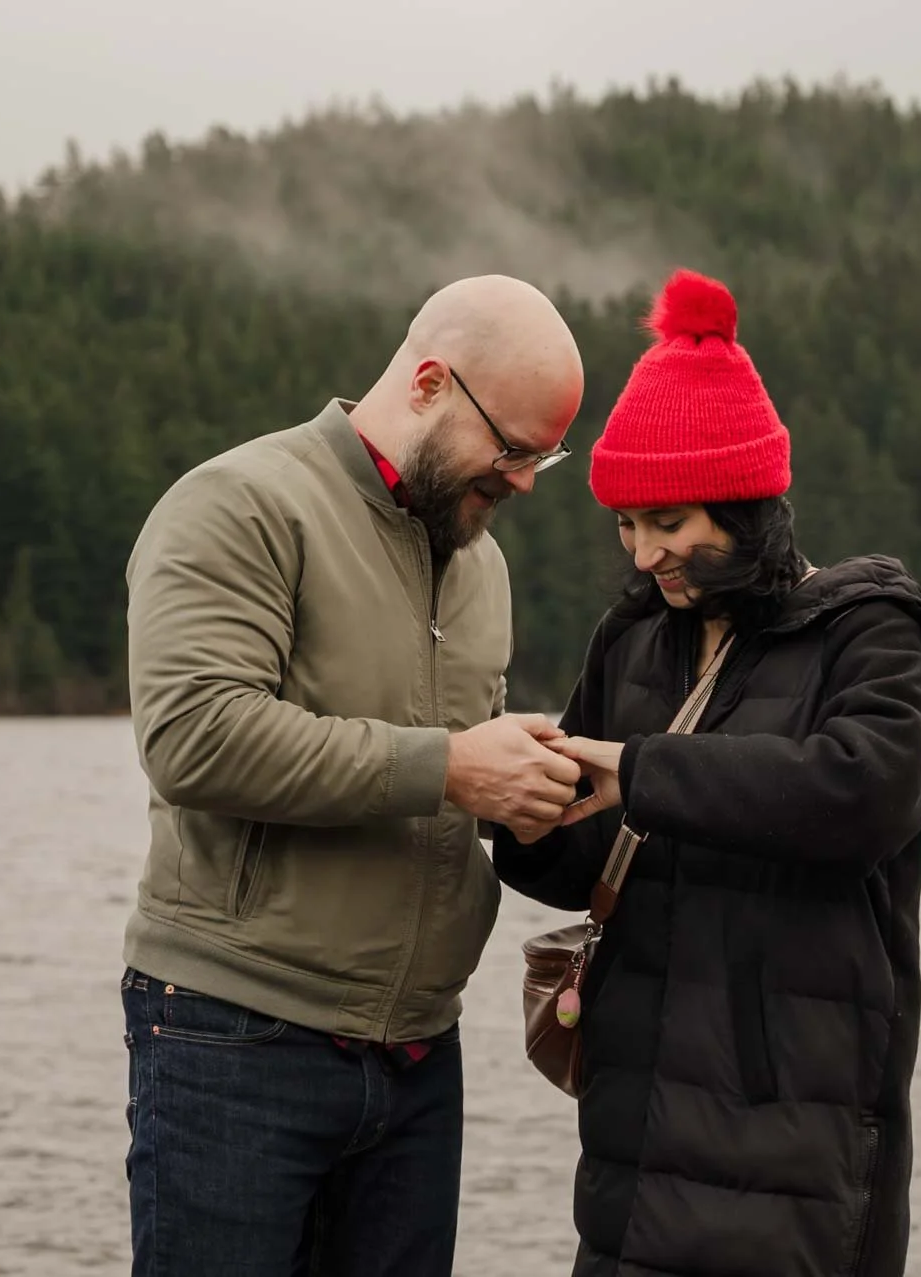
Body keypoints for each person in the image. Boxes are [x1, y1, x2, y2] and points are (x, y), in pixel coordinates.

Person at [494, 268, 921, 1277]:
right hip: (631, 1134)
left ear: (747, 503)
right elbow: (585, 858)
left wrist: (640, 769)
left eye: (669, 522)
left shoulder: (871, 631)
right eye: (627, 524)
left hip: (793, 1137)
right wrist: (522, 810)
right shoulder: (631, 637)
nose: (645, 553)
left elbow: (863, 793)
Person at [120, 274, 586, 1274]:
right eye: (512, 449)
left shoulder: (480, 561)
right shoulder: (239, 503)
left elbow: (454, 768)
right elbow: (194, 734)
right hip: (233, 1037)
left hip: (419, 1053)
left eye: (542, 457)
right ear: (429, 382)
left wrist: (532, 787)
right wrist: (452, 766)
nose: (523, 483)